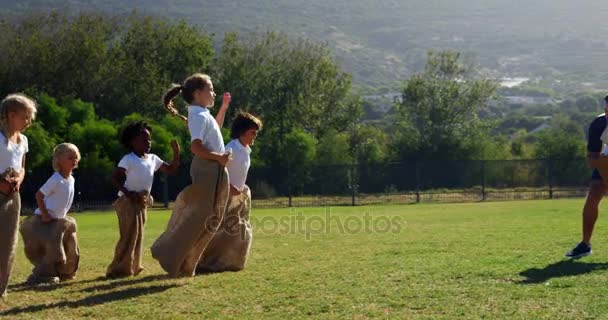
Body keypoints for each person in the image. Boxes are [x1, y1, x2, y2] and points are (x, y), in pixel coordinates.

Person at [151, 73, 231, 277]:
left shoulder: (202, 114)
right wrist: (219, 158)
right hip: (209, 168)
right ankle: (169, 253)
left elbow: (216, 130)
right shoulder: (197, 115)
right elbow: (196, 147)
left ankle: (187, 265)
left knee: (209, 219)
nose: (214, 93)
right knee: (201, 218)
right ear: (197, 93)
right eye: (210, 89)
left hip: (214, 168)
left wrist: (223, 108)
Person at [106, 121, 180, 278]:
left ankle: (132, 266)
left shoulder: (153, 159)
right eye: (144, 139)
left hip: (141, 202)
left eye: (149, 139)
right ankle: (118, 269)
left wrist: (176, 153)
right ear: (133, 142)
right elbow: (115, 178)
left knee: (138, 235)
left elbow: (171, 170)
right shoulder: (129, 159)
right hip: (127, 202)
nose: (148, 143)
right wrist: (128, 193)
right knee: (129, 235)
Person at [197, 112, 262, 272]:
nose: (254, 136)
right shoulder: (231, 149)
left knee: (237, 230)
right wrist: (229, 187)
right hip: (225, 197)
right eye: (252, 133)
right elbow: (219, 171)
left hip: (239, 197)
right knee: (220, 231)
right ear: (242, 132)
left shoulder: (246, 150)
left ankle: (231, 261)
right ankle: (206, 261)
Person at [20, 143, 81, 284]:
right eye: (70, 158)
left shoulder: (71, 179)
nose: (74, 160)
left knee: (69, 246)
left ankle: (65, 271)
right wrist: (45, 214)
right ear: (59, 161)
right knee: (53, 251)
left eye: (76, 157)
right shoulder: (56, 179)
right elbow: (39, 195)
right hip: (44, 221)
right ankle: (41, 276)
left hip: (58, 220)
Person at [0, 93, 36, 298]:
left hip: (12, 198)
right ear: (11, 115)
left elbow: (21, 167)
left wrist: (18, 180)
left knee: (7, 242)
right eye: (25, 117)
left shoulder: (23, 140)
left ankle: (1, 287)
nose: (28, 122)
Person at [566, 94, 608, 258]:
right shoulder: (599, 124)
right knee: (595, 191)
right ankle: (585, 244)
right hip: (605, 161)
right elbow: (593, 160)